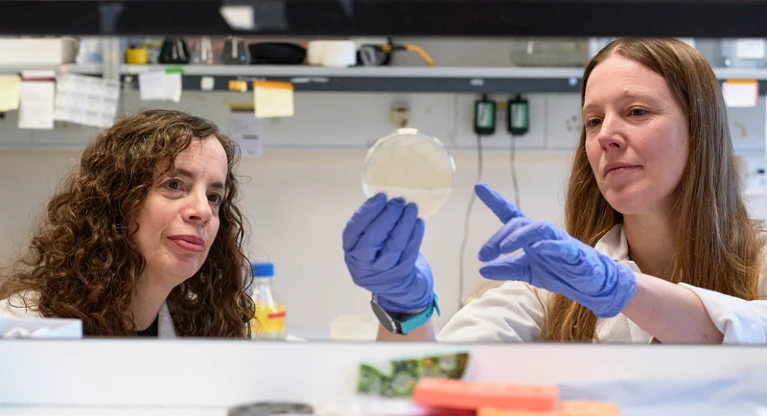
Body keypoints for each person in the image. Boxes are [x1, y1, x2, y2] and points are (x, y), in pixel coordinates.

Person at [343, 38, 767, 345]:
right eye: (594, 121)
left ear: (701, 131)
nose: (607, 136)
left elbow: (749, 334)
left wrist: (621, 290)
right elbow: (436, 381)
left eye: (637, 112)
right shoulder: (556, 288)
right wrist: (405, 308)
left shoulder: (758, 262)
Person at [0, 110, 254, 338]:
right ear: (117, 200)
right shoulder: (20, 331)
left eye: (214, 197)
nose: (202, 211)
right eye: (174, 184)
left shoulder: (200, 327)